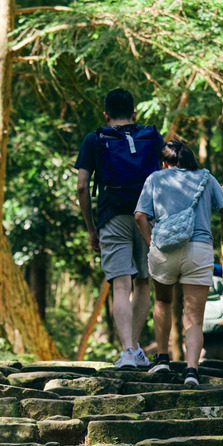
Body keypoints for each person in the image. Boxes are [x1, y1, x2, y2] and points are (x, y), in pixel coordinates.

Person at [133, 139, 223, 385]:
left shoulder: (155, 179)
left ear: (165, 163)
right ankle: (192, 371)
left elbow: (140, 216)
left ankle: (162, 359)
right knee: (194, 316)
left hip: (164, 250)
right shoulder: (205, 178)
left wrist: (151, 242)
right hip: (198, 250)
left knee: (162, 301)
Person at [74, 89, 163, 368]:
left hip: (112, 215)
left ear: (106, 115)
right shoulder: (150, 135)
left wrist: (91, 228)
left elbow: (81, 186)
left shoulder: (95, 138)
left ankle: (126, 352)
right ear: (134, 114)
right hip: (147, 216)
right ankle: (136, 348)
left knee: (121, 284)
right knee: (143, 282)